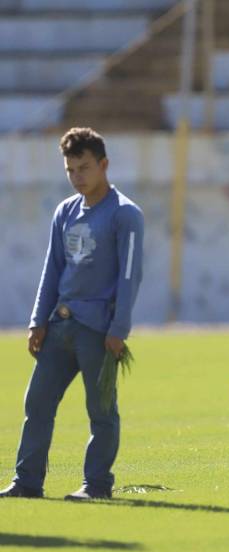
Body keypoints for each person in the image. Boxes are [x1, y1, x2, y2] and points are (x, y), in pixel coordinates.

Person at [0, 127, 144, 500]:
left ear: (104, 164)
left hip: (98, 329)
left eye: (84, 168)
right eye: (70, 170)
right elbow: (52, 269)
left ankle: (96, 485)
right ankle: (27, 482)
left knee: (101, 410)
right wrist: (37, 320)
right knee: (37, 404)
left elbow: (130, 275)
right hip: (59, 325)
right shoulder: (65, 211)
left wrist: (119, 328)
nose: (77, 177)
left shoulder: (125, 214)